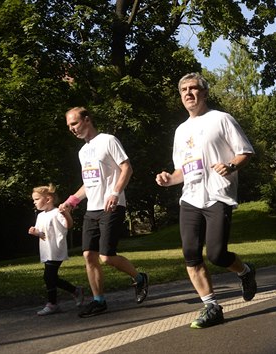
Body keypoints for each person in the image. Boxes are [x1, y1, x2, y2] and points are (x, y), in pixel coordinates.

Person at [155, 73, 256, 329]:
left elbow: (245, 151)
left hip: (217, 194)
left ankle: (244, 271)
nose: (189, 93)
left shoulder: (221, 119)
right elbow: (182, 170)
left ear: (204, 92)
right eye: (184, 90)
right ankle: (211, 306)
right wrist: (169, 179)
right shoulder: (180, 131)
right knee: (190, 253)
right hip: (190, 197)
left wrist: (231, 166)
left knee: (217, 254)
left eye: (194, 88)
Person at [60, 107, 148, 318]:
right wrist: (71, 201)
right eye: (69, 126)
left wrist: (115, 193)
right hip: (92, 209)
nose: (72, 129)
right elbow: (88, 183)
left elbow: (127, 168)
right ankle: (99, 300)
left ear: (87, 120)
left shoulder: (108, 140)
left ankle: (140, 278)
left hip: (112, 206)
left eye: (74, 123)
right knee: (88, 255)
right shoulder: (82, 151)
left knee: (106, 257)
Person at [29, 184, 84, 315]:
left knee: (48, 276)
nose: (34, 202)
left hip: (56, 250)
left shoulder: (57, 213)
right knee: (51, 277)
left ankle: (53, 304)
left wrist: (66, 214)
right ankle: (75, 291)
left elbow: (69, 225)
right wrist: (35, 232)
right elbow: (41, 233)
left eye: (36, 199)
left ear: (48, 199)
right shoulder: (40, 216)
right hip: (46, 251)